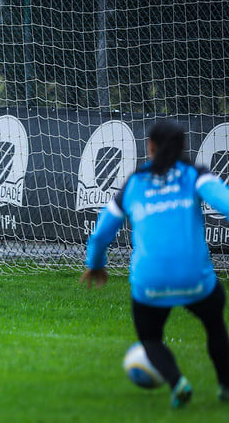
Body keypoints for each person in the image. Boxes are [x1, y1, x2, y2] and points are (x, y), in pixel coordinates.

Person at [80, 120, 229, 408]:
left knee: (149, 338)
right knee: (215, 327)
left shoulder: (134, 182)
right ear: (182, 147)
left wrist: (95, 264)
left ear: (149, 147)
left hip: (150, 282)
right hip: (194, 279)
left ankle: (177, 382)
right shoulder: (195, 176)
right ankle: (225, 385)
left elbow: (100, 235)